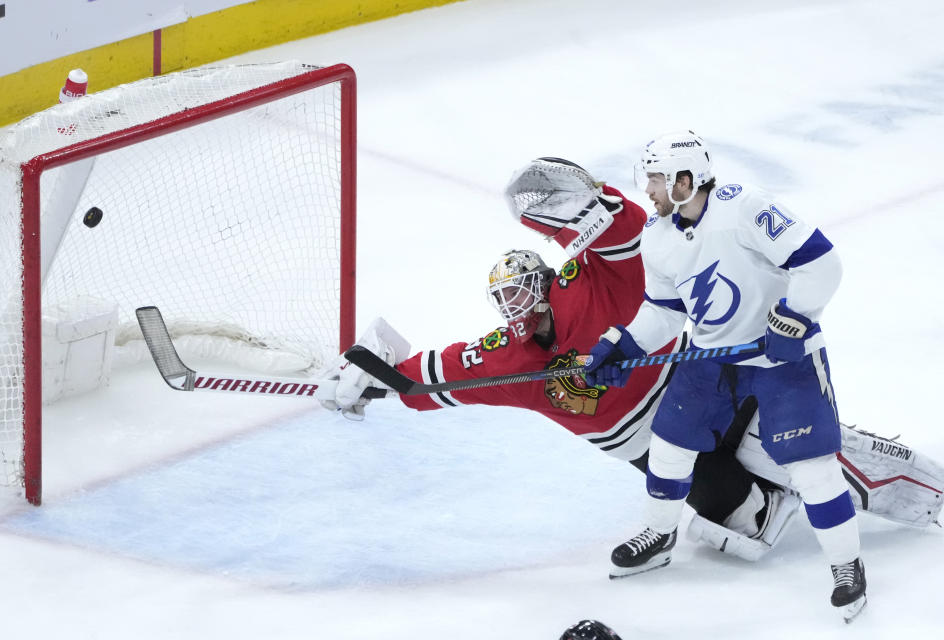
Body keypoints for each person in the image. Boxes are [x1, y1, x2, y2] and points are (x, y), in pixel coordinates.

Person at [325, 157, 802, 562]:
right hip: (639, 442)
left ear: (544, 283)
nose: (512, 307)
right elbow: (437, 375)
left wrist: (595, 205)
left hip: (688, 384)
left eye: (518, 292)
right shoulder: (508, 357)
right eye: (502, 299)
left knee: (794, 445)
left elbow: (629, 241)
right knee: (750, 515)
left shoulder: (585, 283)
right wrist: (379, 379)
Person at [583, 130, 867, 621]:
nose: (646, 190)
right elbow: (666, 311)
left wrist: (795, 316)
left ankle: (847, 566)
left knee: (811, 468)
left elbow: (822, 264)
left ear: (686, 180)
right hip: (711, 358)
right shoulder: (657, 237)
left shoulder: (746, 209)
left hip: (784, 359)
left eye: (655, 179)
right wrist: (624, 343)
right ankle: (660, 533)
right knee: (669, 446)